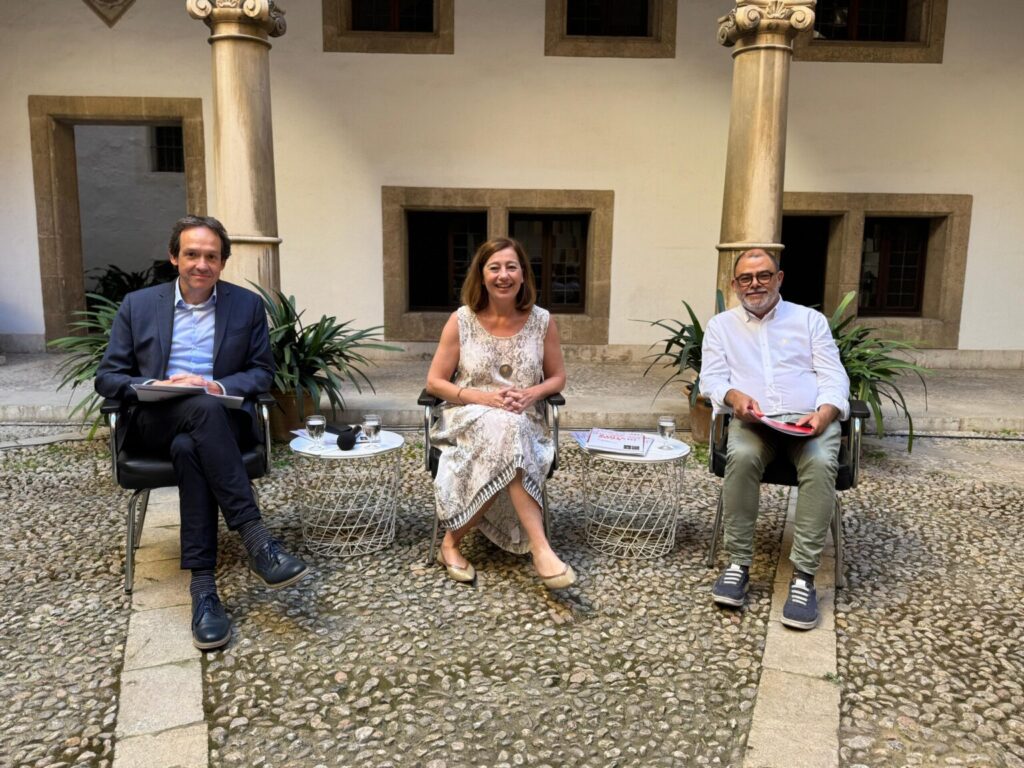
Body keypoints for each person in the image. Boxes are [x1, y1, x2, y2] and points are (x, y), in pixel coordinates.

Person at [96, 215, 310, 650]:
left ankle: (204, 589)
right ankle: (256, 539)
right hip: (154, 420)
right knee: (195, 415)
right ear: (174, 257)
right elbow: (108, 377)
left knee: (191, 442)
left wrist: (217, 386)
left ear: (223, 262)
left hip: (218, 421)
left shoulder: (245, 306)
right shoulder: (138, 305)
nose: (201, 264)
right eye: (192, 254)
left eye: (211, 256)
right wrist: (155, 385)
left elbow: (262, 373)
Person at [700, 248, 849, 630]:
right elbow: (711, 379)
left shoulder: (810, 321)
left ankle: (804, 576)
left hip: (809, 422)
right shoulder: (721, 327)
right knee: (742, 457)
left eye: (763, 275)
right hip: (755, 423)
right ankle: (737, 563)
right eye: (746, 278)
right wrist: (733, 396)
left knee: (821, 462)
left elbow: (834, 376)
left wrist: (826, 412)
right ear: (735, 285)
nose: (755, 284)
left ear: (779, 278)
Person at [425, 237, 576, 590]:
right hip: (466, 417)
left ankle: (450, 543)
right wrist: (482, 398)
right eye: (494, 268)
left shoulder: (542, 321)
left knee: (510, 427)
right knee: (507, 426)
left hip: (525, 419)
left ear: (523, 274)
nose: (503, 275)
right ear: (481, 275)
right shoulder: (461, 321)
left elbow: (557, 377)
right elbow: (434, 382)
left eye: (511, 267)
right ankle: (542, 549)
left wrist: (531, 393)